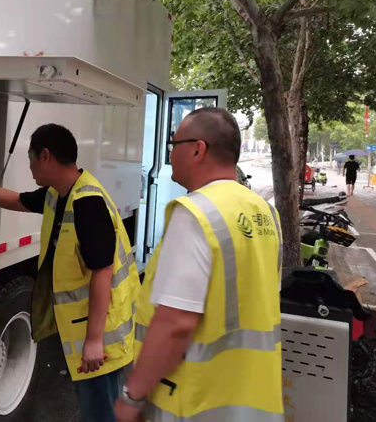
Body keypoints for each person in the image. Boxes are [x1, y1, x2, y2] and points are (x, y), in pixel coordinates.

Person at [0, 123, 140, 422]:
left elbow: (102, 273)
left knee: (102, 413)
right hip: (90, 335)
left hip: (103, 341)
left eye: (31, 159)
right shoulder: (58, 194)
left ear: (46, 156)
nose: (30, 167)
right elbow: (14, 199)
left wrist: (93, 340)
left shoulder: (87, 203)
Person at [114, 107, 283, 422]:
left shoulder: (194, 214)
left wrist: (132, 396)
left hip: (194, 402)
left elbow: (176, 323)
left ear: (197, 149)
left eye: (173, 145)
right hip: (253, 402)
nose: (169, 156)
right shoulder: (264, 212)